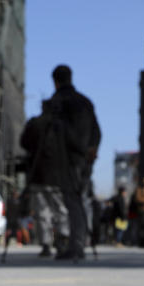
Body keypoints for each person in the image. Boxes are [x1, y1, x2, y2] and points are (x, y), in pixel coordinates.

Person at [47, 65, 102, 260]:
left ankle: (76, 244)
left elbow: (57, 132)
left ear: (55, 81)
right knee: (80, 201)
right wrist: (91, 149)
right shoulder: (85, 101)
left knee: (73, 201)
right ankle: (78, 242)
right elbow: (97, 131)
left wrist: (79, 149)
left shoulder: (59, 102)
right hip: (84, 158)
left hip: (69, 158)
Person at [20, 98, 71, 257]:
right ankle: (62, 239)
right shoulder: (60, 126)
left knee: (43, 211)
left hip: (39, 173)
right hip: (56, 174)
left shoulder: (35, 124)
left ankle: (46, 244)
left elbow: (24, 142)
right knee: (60, 210)